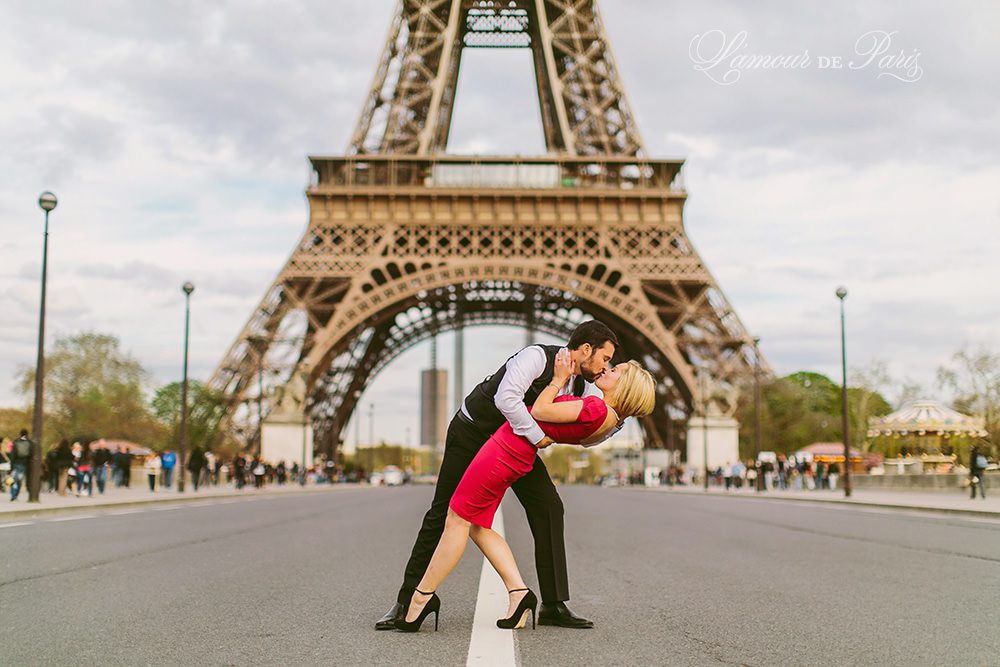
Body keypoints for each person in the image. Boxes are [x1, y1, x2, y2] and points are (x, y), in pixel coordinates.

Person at [375, 320, 619, 631]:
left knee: (548, 506)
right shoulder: (535, 358)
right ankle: (406, 600)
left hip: (513, 446)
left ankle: (554, 604)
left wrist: (616, 419)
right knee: (442, 512)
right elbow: (506, 399)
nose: (604, 366)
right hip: (475, 432)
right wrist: (537, 436)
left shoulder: (578, 385)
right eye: (605, 358)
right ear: (586, 349)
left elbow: (583, 430)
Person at [9, 430, 32, 501]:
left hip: (16, 463)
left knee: (13, 479)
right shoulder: (29, 443)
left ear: (20, 434)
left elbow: (12, 455)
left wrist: (11, 466)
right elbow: (31, 455)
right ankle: (15, 495)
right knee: (19, 480)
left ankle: (13, 494)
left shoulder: (16, 442)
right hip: (24, 464)